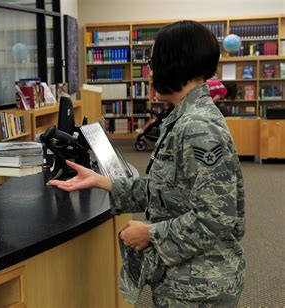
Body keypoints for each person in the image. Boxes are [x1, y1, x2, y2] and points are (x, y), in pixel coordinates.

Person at [49, 20, 245, 307]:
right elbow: (169, 190)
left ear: (174, 63)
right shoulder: (182, 117)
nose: (151, 71)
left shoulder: (198, 127)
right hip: (186, 277)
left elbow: (217, 218)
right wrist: (102, 181)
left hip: (201, 286)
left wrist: (150, 233)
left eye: (154, 62)